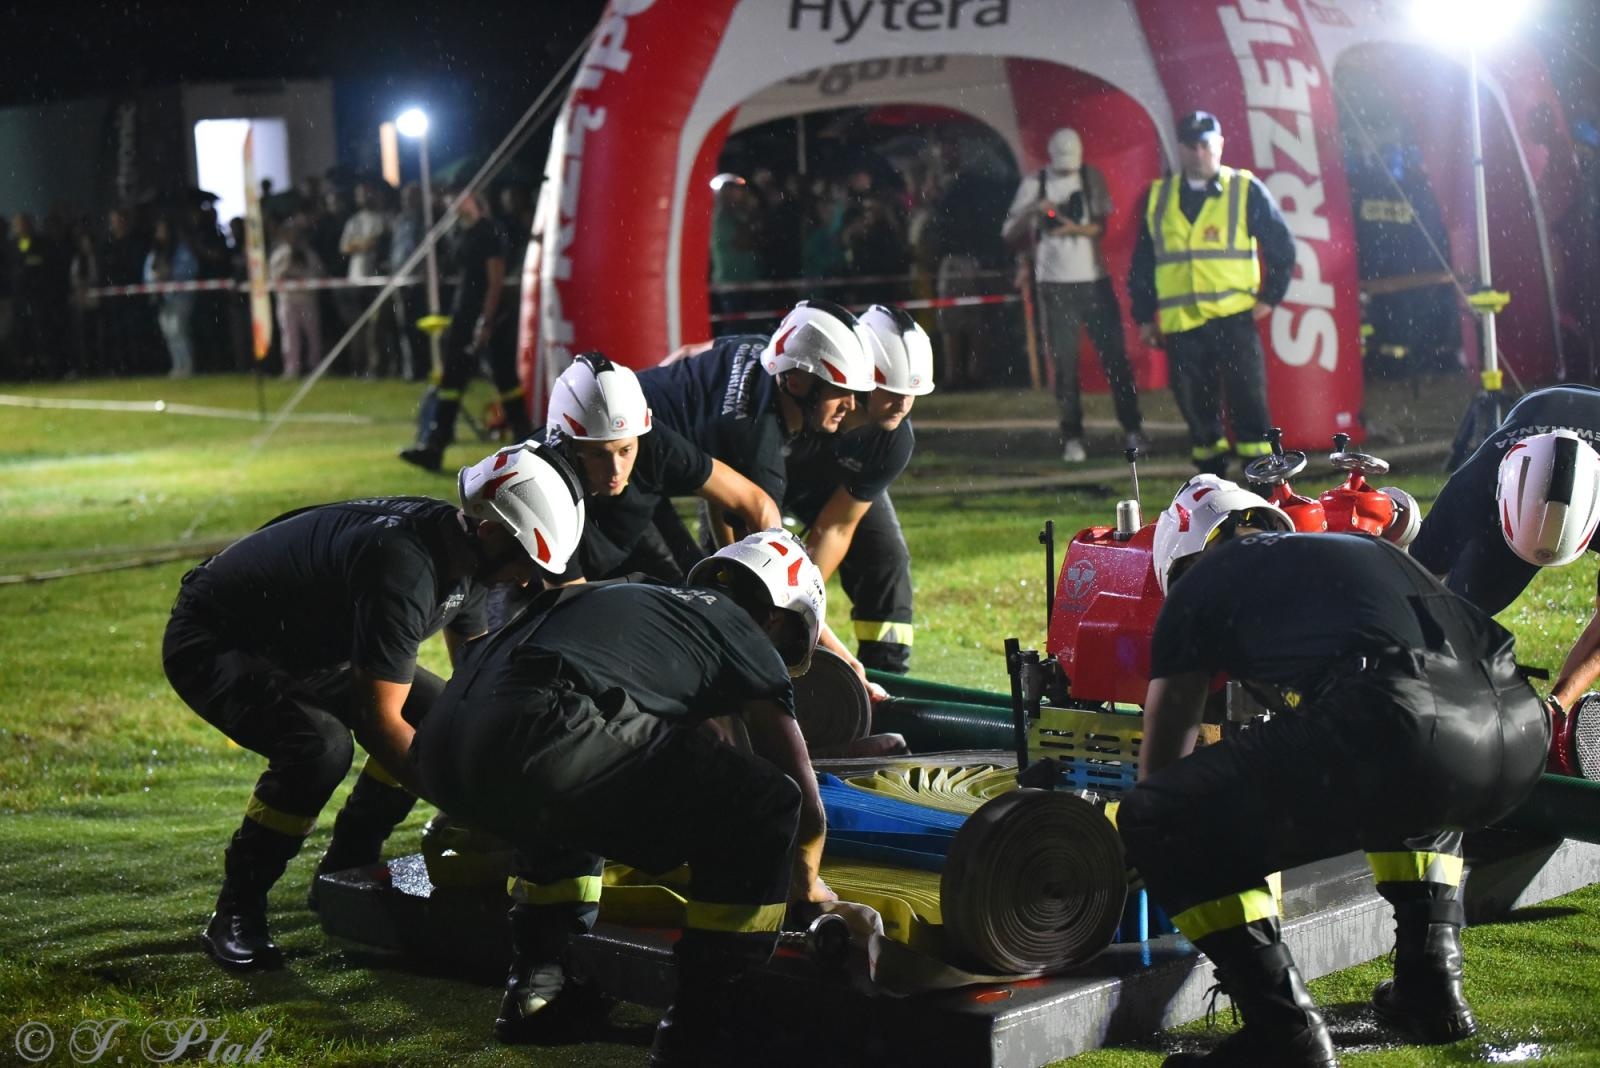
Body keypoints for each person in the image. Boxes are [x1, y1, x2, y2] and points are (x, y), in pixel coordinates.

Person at [1118, 476, 1548, 1066]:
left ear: (1178, 561)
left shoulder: (1199, 590)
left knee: (1156, 817)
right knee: (1413, 780)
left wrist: (1144, 854)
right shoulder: (1356, 549)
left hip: (1410, 727)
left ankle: (1283, 1031)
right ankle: (1431, 987)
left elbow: (1162, 770)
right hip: (1518, 729)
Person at [412, 530, 833, 1065]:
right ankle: (703, 1031)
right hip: (541, 732)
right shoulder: (744, 634)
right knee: (765, 804)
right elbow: (797, 792)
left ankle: (539, 990)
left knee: (566, 799)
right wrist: (808, 883)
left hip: (444, 747)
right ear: (777, 618)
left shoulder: (632, 597)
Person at [162, 441, 586, 970]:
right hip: (216, 638)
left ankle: (345, 868)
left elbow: (472, 686)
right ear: (492, 529)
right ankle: (236, 910)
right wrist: (471, 804)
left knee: (436, 713)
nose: (527, 578)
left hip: (305, 646)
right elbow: (378, 721)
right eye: (526, 559)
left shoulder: (462, 551)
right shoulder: (403, 567)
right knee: (318, 748)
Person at [1411, 387, 1600, 719]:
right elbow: (1416, 589)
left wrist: (1555, 707)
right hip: (1537, 411)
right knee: (1452, 616)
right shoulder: (1471, 489)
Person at [1129, 111, 1296, 477]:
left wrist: (1270, 297)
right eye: (1191, 146)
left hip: (1234, 318)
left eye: (1206, 145)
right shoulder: (1158, 198)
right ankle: (1211, 484)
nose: (1200, 153)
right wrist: (1143, 316)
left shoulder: (1245, 189)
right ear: (1181, 149)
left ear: (1219, 145)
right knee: (1197, 413)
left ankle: (1263, 485)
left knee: (1249, 405)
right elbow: (1142, 262)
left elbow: (1282, 246)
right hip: (1182, 325)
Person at [637, 298, 876, 544]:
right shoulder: (759, 449)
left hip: (622, 426)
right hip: (624, 467)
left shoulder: (756, 346)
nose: (850, 404)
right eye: (838, 391)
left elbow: (686, 353)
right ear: (796, 383)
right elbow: (754, 563)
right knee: (671, 578)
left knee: (687, 570)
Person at [783, 304, 931, 674]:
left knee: (886, 559)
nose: (903, 404)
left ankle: (887, 674)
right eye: (892, 391)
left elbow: (836, 528)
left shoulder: (892, 441)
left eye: (910, 394)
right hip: (761, 483)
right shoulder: (806, 403)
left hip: (831, 491)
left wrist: (798, 602)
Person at [546, 351, 781, 582]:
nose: (616, 469)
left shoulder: (652, 442)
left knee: (704, 595)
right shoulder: (545, 481)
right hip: (551, 581)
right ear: (566, 446)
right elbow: (568, 601)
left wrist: (778, 577)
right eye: (598, 454)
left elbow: (755, 502)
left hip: (630, 536)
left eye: (625, 450)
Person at [1004, 127, 1144, 461]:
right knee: (1064, 365)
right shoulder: (1035, 183)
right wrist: (1035, 211)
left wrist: (1071, 227)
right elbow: (1008, 231)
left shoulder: (1090, 176)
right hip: (1054, 285)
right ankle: (1072, 437)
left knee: (1115, 360)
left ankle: (1132, 429)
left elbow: (1101, 225)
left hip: (1094, 281)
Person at [400, 190, 534, 472]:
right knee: (452, 381)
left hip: (488, 317)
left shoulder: (489, 232)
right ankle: (435, 446)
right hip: (464, 315)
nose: (453, 202)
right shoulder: (461, 233)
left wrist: (485, 321)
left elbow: (494, 280)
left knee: (505, 378)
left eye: (461, 197)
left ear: (475, 199)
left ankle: (527, 442)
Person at [268, 215, 325, 379]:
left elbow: (318, 273)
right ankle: (291, 368)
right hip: (287, 300)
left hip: (307, 300)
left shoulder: (308, 254)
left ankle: (315, 366)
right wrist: (287, 267)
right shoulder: (280, 255)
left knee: (313, 335)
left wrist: (302, 271)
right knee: (290, 336)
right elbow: (273, 276)